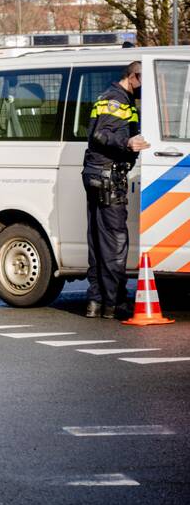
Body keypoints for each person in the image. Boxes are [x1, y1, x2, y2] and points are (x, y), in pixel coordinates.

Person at [82, 61, 150, 319]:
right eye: (144, 82)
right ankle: (114, 304)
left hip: (97, 174)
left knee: (98, 240)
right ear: (133, 77)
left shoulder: (113, 97)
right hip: (108, 176)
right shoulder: (116, 100)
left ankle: (95, 301)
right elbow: (100, 135)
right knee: (114, 240)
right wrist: (127, 142)